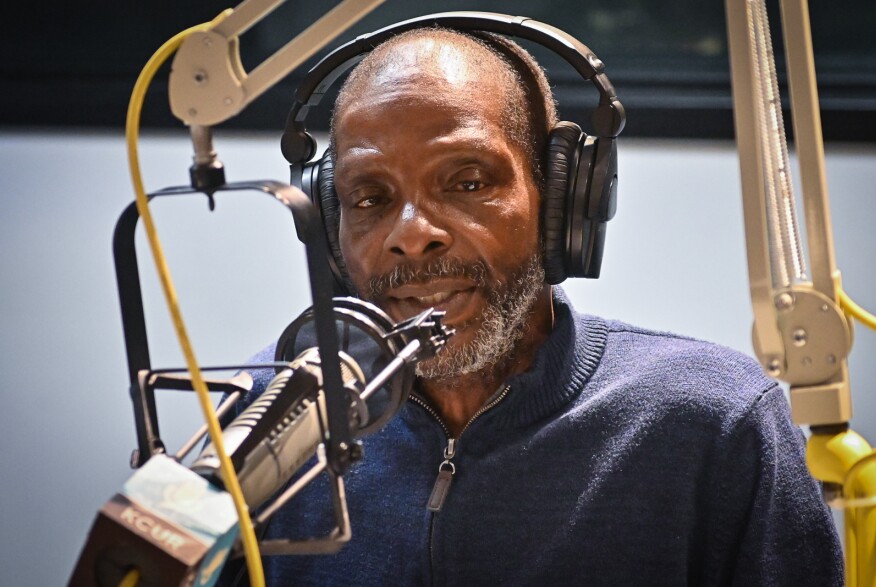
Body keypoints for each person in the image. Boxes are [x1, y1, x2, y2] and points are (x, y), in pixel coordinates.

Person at [223, 25, 843, 586]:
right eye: (369, 198)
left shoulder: (714, 422)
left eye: (467, 182)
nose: (410, 234)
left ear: (562, 200)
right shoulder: (262, 419)